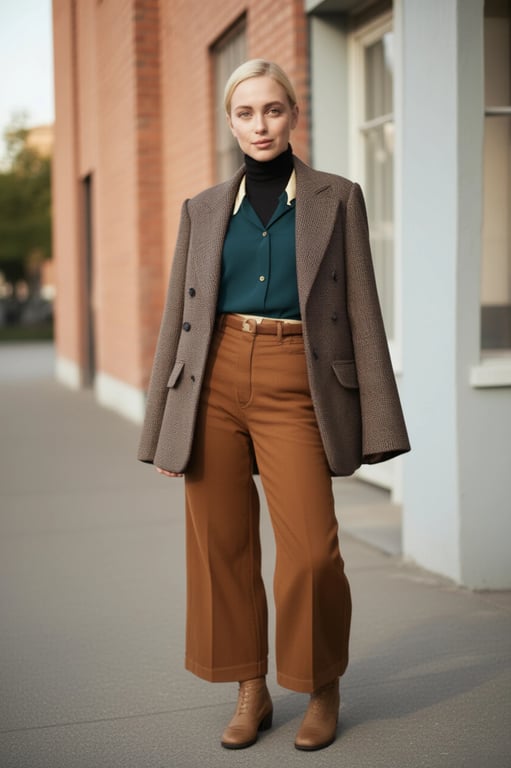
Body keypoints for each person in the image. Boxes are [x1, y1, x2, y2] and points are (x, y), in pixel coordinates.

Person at [138, 59, 410, 752]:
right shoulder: (201, 209)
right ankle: (249, 689)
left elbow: (360, 311)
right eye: (245, 113)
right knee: (221, 546)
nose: (259, 125)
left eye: (272, 110)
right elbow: (179, 319)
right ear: (230, 121)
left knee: (312, 553)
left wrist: (377, 419)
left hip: (300, 378)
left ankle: (320, 686)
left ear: (293, 114)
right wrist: (165, 427)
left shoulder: (336, 197)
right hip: (214, 379)